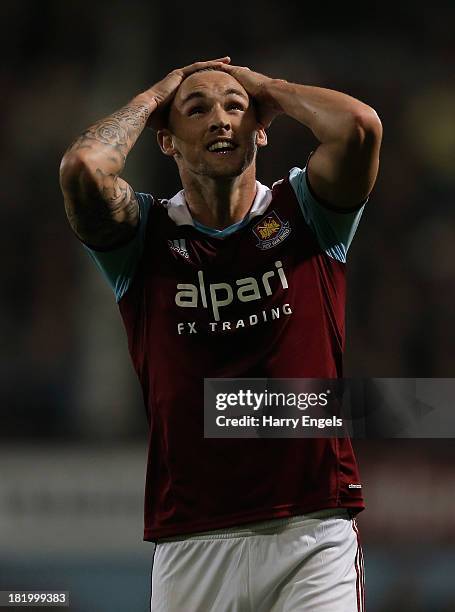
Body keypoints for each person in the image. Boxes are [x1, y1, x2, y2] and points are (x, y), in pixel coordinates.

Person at [60, 56, 382, 611]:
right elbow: (84, 168)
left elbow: (359, 127)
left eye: (236, 108)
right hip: (192, 541)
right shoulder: (143, 239)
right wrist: (154, 95)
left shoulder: (305, 213)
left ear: (260, 129)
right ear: (167, 140)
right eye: (197, 109)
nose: (220, 120)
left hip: (311, 531)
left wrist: (267, 88)